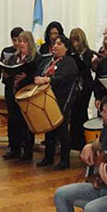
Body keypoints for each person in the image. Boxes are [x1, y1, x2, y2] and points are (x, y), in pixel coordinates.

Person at [35, 35, 78, 169]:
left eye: (59, 44)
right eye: (54, 44)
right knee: (49, 129)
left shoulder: (69, 62)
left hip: (62, 99)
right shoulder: (48, 61)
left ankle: (65, 160)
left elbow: (66, 77)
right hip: (47, 99)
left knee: (62, 130)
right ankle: (48, 157)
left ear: (66, 48)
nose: (55, 46)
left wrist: (48, 80)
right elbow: (39, 72)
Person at [3, 31, 39, 160]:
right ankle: (15, 149)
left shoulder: (35, 58)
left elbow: (37, 75)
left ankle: (27, 151)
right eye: (20, 41)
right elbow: (6, 78)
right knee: (13, 122)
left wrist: (25, 77)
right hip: (12, 93)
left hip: (26, 95)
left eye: (25, 41)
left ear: (30, 43)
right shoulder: (13, 58)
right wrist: (8, 75)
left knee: (26, 123)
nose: (21, 44)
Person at [69, 27, 96, 150]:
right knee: (74, 113)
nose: (75, 44)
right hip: (75, 85)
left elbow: (89, 68)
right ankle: (73, 141)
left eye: (77, 41)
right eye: (73, 41)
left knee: (81, 111)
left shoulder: (89, 53)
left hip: (85, 85)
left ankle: (82, 141)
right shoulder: (72, 54)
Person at [1, 26, 24, 157]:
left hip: (22, 90)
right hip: (10, 88)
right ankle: (12, 146)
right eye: (14, 40)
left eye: (19, 40)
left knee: (23, 119)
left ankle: (24, 146)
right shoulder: (8, 52)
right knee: (12, 119)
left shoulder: (28, 54)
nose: (17, 43)